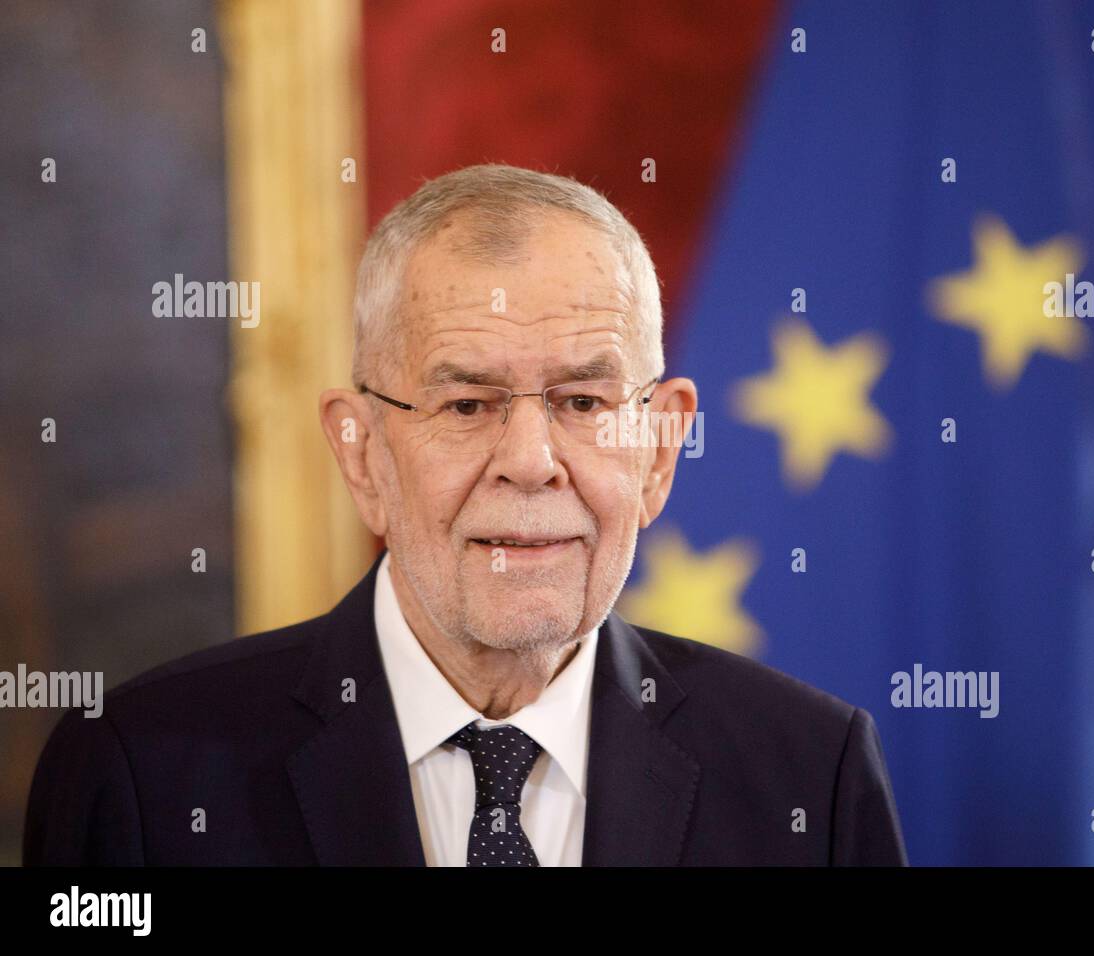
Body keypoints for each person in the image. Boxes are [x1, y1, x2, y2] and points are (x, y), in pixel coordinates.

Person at [23, 164, 907, 866]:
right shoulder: (141, 775)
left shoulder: (809, 775)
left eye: (584, 402)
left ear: (662, 448)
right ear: (362, 451)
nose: (530, 462)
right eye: (468, 406)